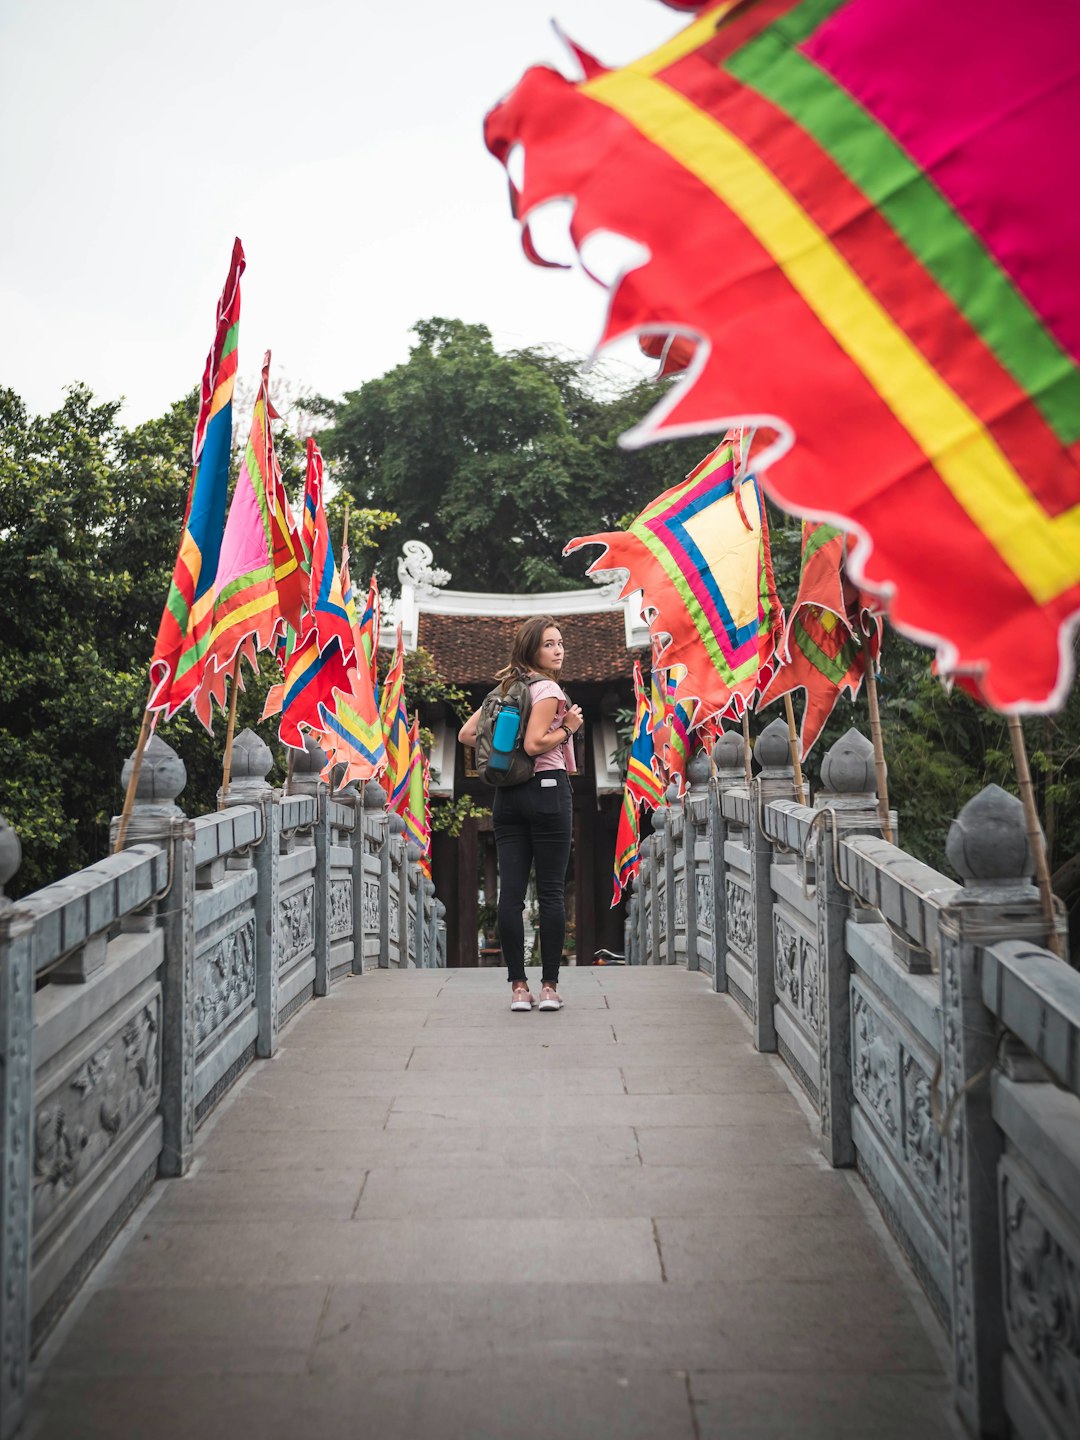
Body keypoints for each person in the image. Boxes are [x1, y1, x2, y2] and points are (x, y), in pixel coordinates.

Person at [458, 617, 584, 1011]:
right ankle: (547, 987)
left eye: (560, 643)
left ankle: (517, 988)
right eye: (549, 644)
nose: (558, 650)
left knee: (510, 895)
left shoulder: (505, 690)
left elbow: (465, 734)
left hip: (508, 798)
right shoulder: (548, 689)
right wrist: (569, 727)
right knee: (549, 892)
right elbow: (534, 745)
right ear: (531, 649)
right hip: (547, 793)